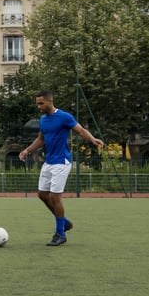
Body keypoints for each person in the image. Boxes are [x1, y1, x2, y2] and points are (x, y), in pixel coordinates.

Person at [18, 90, 104, 247]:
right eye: (37, 103)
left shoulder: (64, 117)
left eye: (41, 103)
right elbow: (40, 139)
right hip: (49, 162)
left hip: (62, 162)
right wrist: (27, 150)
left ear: (50, 102)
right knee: (42, 195)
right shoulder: (43, 120)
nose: (38, 106)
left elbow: (81, 130)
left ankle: (60, 234)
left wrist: (92, 139)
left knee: (55, 197)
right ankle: (63, 222)